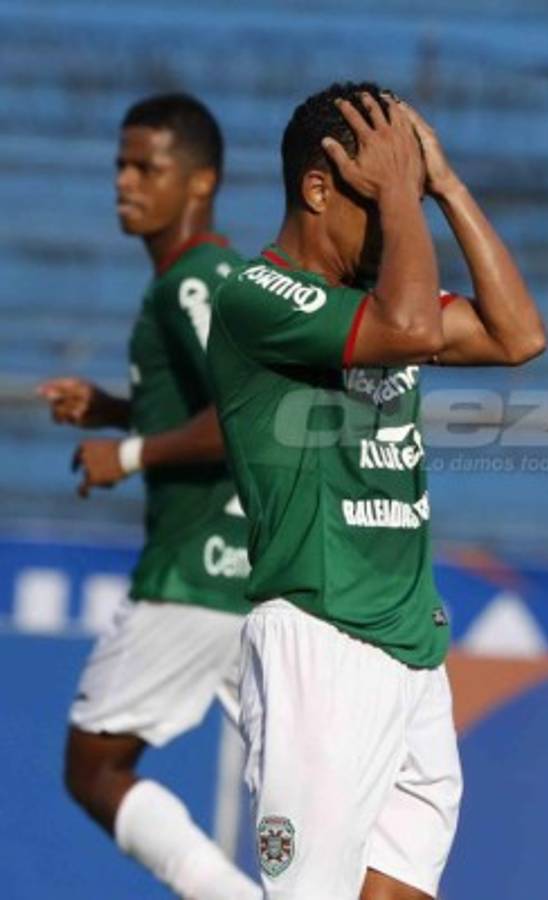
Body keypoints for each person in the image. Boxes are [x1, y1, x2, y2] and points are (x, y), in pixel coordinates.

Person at [206, 81, 546, 900]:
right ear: (317, 189)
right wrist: (402, 193)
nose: (400, 222)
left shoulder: (377, 298)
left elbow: (517, 336)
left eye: (407, 200)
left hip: (410, 648)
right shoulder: (256, 296)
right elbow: (411, 329)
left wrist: (444, 186)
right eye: (381, 197)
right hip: (322, 639)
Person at [38, 93, 261, 900]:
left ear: (200, 182)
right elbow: (216, 405)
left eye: (146, 167)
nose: (124, 183)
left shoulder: (192, 283)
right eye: (120, 166)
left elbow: (245, 417)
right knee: (300, 786)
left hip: (191, 573)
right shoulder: (218, 279)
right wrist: (114, 409)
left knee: (94, 767)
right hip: (259, 575)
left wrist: (126, 453)